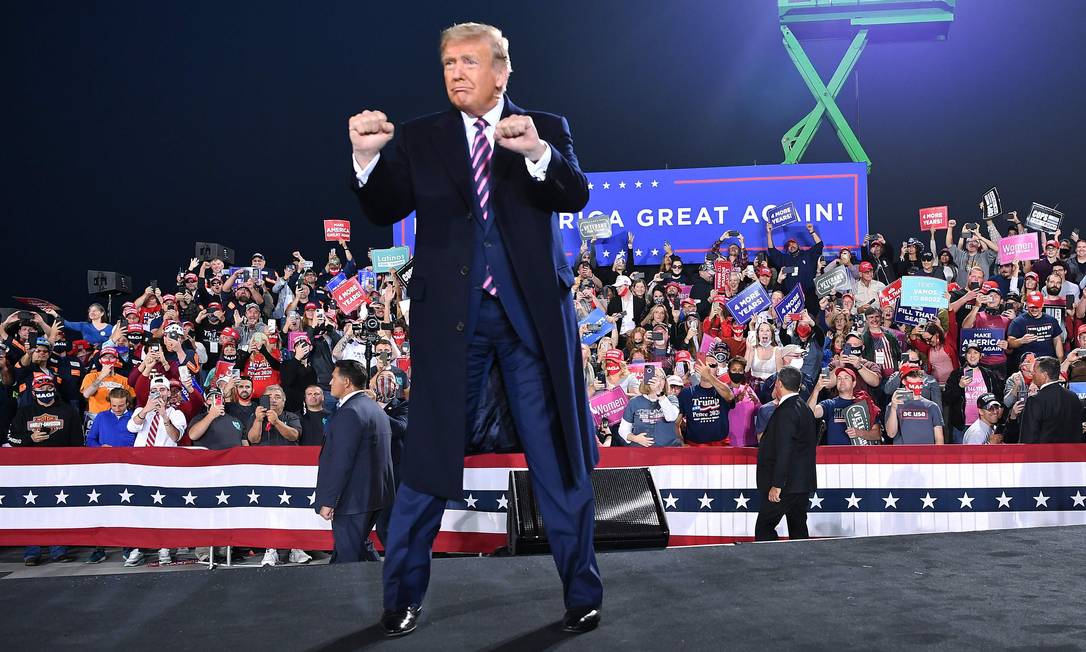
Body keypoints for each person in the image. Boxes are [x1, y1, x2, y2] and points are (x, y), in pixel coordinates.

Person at [348, 22, 601, 635]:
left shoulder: (545, 127)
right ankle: (401, 598)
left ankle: (581, 594)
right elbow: (384, 207)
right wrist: (366, 156)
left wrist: (536, 153)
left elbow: (574, 194)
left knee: (557, 462)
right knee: (428, 462)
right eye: (448, 63)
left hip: (529, 327)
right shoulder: (420, 137)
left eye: (469, 61)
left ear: (501, 72)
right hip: (449, 327)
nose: (456, 72)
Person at [314, 360, 395, 564]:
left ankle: (357, 593)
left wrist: (329, 500)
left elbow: (341, 460)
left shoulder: (350, 411)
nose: (330, 382)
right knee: (355, 548)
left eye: (333, 377)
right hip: (375, 495)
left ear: (347, 382)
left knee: (348, 561)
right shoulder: (374, 408)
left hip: (354, 500)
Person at [754, 367, 817, 541]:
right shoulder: (804, 408)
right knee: (798, 530)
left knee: (764, 528)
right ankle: (802, 566)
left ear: (779, 384)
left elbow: (784, 449)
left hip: (785, 486)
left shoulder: (785, 411)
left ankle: (773, 566)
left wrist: (777, 484)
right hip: (802, 484)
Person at [1019, 356, 1083, 443]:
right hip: (1071, 454)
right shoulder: (1073, 396)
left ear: (1044, 375)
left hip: (1045, 455)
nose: (1032, 374)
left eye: (1034, 371)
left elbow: (1028, 438)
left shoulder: (1035, 400)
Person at [676, 361, 735, 446]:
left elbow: (729, 396)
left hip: (720, 446)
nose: (706, 368)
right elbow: (676, 423)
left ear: (718, 370)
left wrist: (709, 376)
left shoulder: (724, 389)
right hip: (695, 446)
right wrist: (681, 443)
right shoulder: (686, 393)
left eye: (711, 365)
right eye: (703, 364)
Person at [618, 374, 681, 447]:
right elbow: (623, 429)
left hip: (667, 450)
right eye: (654, 377)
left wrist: (659, 394)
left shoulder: (671, 399)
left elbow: (671, 417)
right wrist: (635, 438)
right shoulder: (634, 402)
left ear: (665, 382)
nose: (657, 380)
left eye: (661, 377)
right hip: (641, 451)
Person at [885, 371, 945, 445]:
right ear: (904, 381)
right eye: (913, 378)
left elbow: (939, 439)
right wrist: (894, 409)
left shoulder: (932, 407)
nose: (916, 385)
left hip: (927, 454)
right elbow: (891, 434)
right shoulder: (894, 405)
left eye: (918, 382)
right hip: (903, 454)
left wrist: (937, 456)